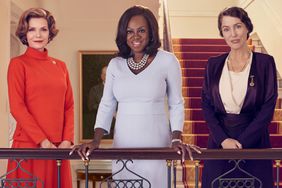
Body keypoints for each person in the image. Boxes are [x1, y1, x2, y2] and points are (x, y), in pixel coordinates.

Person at [71, 5, 200, 187]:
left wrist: (176, 138)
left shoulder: (168, 61)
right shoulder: (115, 64)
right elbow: (107, 104)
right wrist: (96, 140)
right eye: (129, 31)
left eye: (141, 30)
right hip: (124, 143)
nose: (135, 36)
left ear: (151, 32)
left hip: (157, 142)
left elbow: (176, 103)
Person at [201, 6, 277, 188]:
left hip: (255, 144)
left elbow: (268, 107)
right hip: (220, 144)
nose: (233, 34)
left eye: (238, 26)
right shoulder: (213, 64)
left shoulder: (265, 63)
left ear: (247, 28)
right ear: (222, 33)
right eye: (226, 29)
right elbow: (206, 104)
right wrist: (223, 140)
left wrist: (243, 143)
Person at [6, 8, 74, 188]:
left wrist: (67, 139)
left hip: (58, 147)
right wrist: (43, 141)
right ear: (24, 33)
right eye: (32, 29)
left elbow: (69, 106)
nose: (38, 34)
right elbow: (17, 107)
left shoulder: (61, 66)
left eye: (43, 29)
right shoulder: (18, 64)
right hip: (29, 145)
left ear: (50, 32)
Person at [87, 65, 115, 139]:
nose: (108, 76)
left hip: (115, 126)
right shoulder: (94, 89)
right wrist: (107, 108)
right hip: (100, 127)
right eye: (106, 74)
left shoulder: (118, 89)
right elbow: (91, 106)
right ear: (102, 76)